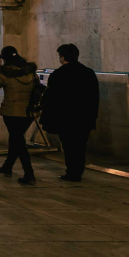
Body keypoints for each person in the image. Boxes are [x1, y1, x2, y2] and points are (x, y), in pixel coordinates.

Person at [40, 43, 99, 182]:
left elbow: (52, 97)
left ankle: (72, 172)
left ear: (62, 57)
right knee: (80, 146)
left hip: (65, 119)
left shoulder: (59, 74)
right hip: (84, 118)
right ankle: (78, 171)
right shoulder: (88, 72)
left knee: (69, 146)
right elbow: (94, 96)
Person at [0, 45, 38, 185]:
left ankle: (29, 173)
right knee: (16, 139)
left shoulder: (5, 72)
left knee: (18, 142)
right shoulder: (31, 72)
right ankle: (7, 166)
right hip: (28, 112)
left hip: (12, 111)